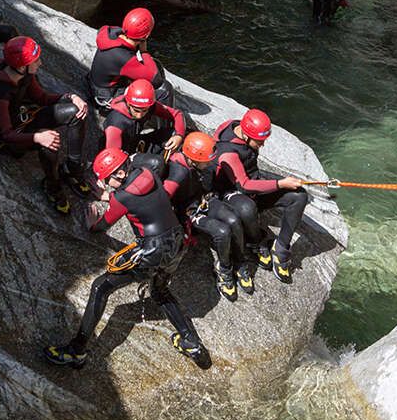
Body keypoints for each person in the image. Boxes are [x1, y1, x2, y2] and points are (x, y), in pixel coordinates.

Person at [44, 148, 209, 369]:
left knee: (100, 287)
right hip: (177, 241)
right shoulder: (147, 172)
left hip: (152, 250)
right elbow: (137, 193)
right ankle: (192, 343)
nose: (104, 183)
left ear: (119, 174)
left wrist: (92, 222)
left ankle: (76, 351)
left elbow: (103, 224)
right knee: (159, 290)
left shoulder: (123, 196)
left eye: (106, 179)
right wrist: (109, 194)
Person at [0, 36, 91, 214]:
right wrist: (39, 137)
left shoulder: (24, 75)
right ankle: (53, 187)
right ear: (22, 65)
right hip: (9, 139)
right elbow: (5, 134)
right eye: (35, 60)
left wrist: (71, 97)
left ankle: (72, 168)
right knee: (51, 141)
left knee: (76, 113)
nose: (40, 63)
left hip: (22, 121)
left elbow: (42, 98)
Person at [212, 109, 308, 284]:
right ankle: (255, 243)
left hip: (253, 183)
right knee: (248, 209)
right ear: (246, 136)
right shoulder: (228, 153)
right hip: (232, 192)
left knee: (299, 196)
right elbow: (245, 185)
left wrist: (281, 186)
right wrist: (280, 184)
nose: (262, 145)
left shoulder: (238, 126)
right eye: (260, 141)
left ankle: (281, 250)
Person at [163, 132, 251, 302]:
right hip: (189, 213)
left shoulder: (200, 166)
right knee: (222, 231)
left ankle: (239, 261)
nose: (211, 162)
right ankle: (224, 269)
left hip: (205, 200)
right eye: (207, 160)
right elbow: (163, 198)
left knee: (234, 219)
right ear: (194, 160)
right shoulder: (178, 173)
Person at [84, 7, 174, 111]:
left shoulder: (108, 32)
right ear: (147, 35)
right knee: (164, 89)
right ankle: (166, 126)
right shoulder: (124, 57)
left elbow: (103, 29)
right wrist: (144, 52)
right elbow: (156, 81)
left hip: (96, 84)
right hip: (106, 99)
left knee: (151, 66)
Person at [102, 79, 185, 155]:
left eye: (144, 110)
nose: (139, 115)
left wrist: (179, 135)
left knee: (173, 134)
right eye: (136, 110)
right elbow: (112, 155)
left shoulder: (149, 106)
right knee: (156, 163)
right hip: (123, 154)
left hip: (137, 142)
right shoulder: (116, 124)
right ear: (128, 104)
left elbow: (177, 114)